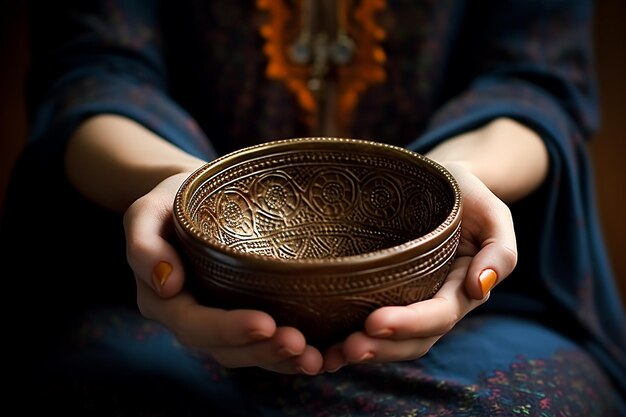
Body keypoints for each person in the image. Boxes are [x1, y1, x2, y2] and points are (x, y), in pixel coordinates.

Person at [2, 0, 625, 415]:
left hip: (464, 291)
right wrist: (179, 189)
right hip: (165, 299)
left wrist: (453, 187)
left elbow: (532, 82)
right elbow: (94, 75)